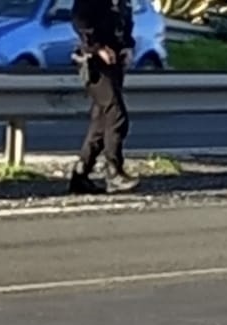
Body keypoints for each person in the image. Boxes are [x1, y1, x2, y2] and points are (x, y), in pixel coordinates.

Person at [68, 0, 139, 194]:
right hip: (94, 63)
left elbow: (124, 20)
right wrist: (97, 47)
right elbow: (80, 20)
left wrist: (126, 46)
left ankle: (81, 174)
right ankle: (113, 172)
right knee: (116, 115)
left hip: (114, 61)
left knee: (101, 123)